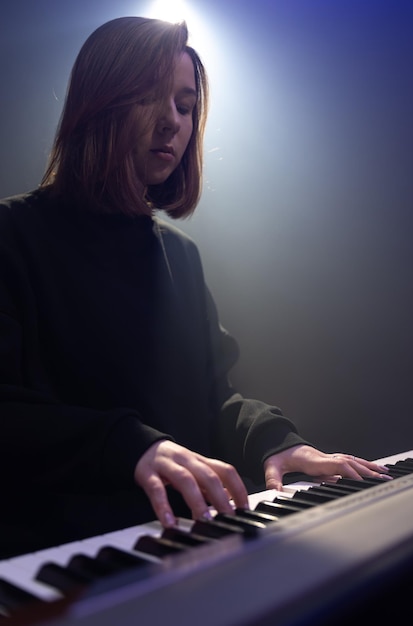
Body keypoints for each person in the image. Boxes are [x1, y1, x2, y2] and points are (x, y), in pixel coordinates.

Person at [0, 16, 390, 559]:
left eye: (185, 106)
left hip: (187, 542)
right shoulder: (12, 234)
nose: (172, 122)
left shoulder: (180, 255)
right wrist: (130, 446)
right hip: (60, 555)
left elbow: (213, 397)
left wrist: (281, 443)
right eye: (148, 97)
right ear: (97, 102)